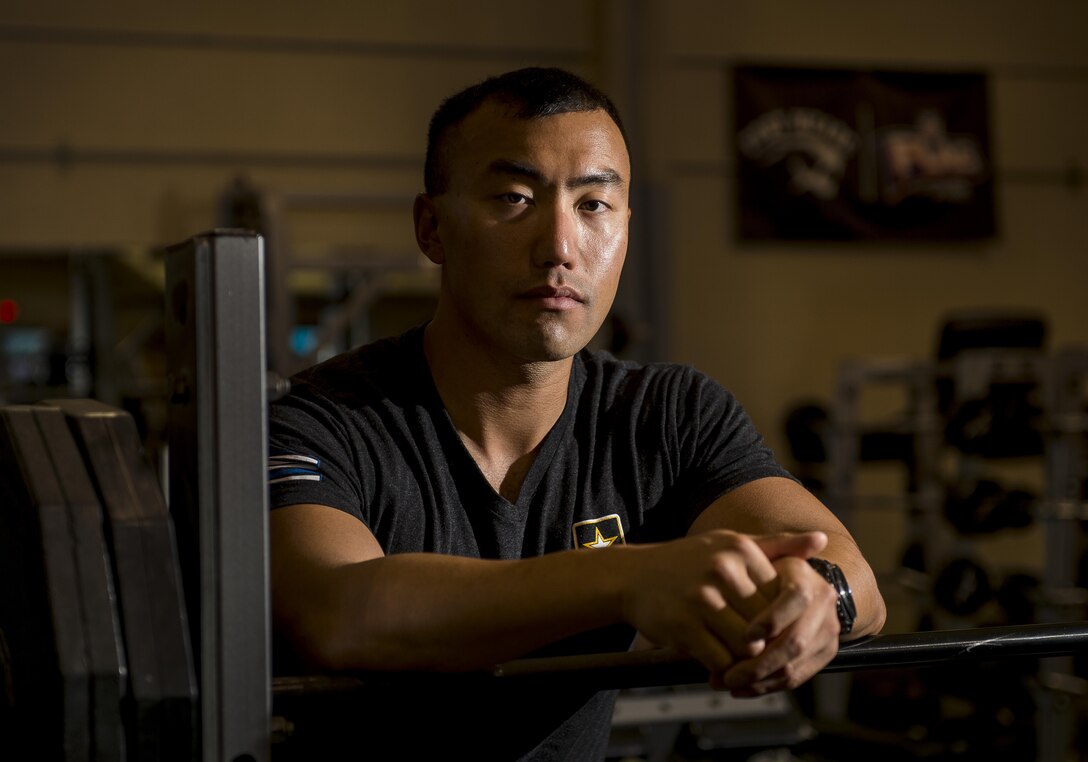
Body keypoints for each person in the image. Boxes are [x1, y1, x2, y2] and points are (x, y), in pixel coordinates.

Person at [267, 66, 885, 761]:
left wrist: (816, 598)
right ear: (431, 227)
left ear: (624, 228)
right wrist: (630, 579)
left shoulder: (668, 413)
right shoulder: (316, 419)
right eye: (514, 197)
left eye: (594, 206)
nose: (560, 248)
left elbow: (854, 577)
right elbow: (337, 612)